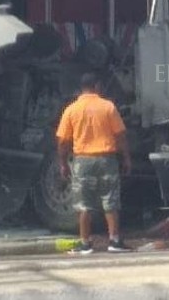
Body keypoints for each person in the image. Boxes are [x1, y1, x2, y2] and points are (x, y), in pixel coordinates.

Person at [56, 73, 132, 254]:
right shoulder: (108, 107)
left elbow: (62, 141)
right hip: (107, 159)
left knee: (84, 204)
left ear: (80, 89)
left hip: (82, 161)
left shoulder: (71, 110)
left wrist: (63, 163)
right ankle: (114, 241)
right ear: (97, 86)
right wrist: (126, 158)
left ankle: (85, 243)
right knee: (110, 201)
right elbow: (120, 135)